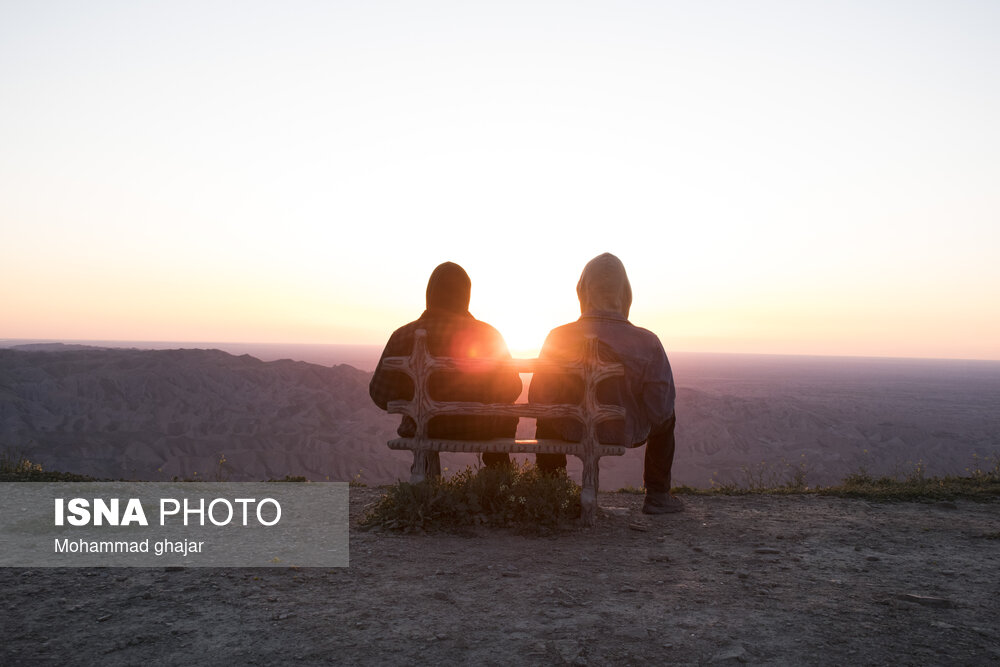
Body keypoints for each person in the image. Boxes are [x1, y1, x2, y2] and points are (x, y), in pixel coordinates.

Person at [529, 253, 682, 514]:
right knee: (668, 417)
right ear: (625, 293)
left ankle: (551, 489)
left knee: (546, 418)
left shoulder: (558, 337)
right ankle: (657, 495)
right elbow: (660, 409)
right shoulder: (648, 343)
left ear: (583, 291)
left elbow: (538, 398)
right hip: (621, 430)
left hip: (569, 429)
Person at [369, 261, 522, 477]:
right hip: (482, 429)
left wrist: (414, 398)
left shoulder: (402, 336)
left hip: (424, 428)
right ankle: (498, 475)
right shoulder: (489, 336)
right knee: (506, 413)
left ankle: (424, 475)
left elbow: (379, 394)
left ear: (430, 294)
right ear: (466, 296)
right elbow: (512, 388)